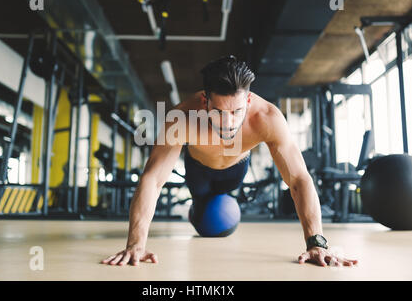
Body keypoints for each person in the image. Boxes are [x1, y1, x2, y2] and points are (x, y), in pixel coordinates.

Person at [101, 55, 358, 267]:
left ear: (247, 100)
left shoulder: (268, 118)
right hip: (198, 172)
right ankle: (197, 208)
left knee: (224, 212)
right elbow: (153, 179)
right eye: (219, 112)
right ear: (205, 101)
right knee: (204, 217)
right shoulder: (181, 117)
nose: (228, 122)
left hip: (235, 171)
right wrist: (136, 244)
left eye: (236, 112)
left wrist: (316, 243)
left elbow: (299, 178)